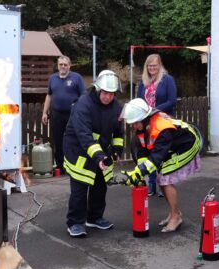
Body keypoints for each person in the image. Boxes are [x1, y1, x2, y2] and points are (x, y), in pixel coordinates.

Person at [120, 98, 202, 233]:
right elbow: (142, 150)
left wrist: (138, 173)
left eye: (135, 123)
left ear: (144, 118)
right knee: (161, 177)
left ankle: (176, 217)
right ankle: (174, 212)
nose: (133, 126)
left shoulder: (162, 129)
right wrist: (137, 171)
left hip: (188, 145)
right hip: (172, 146)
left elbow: (155, 158)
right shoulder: (143, 126)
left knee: (165, 178)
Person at [63, 70, 124, 237]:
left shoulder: (117, 107)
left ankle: (95, 218)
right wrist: (99, 156)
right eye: (105, 93)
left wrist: (117, 149)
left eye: (112, 94)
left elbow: (119, 132)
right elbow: (85, 136)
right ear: (97, 89)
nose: (108, 97)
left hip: (100, 152)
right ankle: (75, 222)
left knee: (100, 186)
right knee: (80, 189)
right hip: (79, 151)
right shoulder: (83, 105)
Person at [137, 54, 177, 197]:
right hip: (147, 122)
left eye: (154, 65)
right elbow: (139, 101)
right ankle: (152, 183)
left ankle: (163, 184)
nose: (152, 68)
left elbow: (172, 101)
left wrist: (154, 110)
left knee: (162, 152)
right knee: (148, 152)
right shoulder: (143, 82)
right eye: (149, 66)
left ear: (160, 66)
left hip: (162, 121)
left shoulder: (167, 80)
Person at [42, 55, 86, 174]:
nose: (62, 66)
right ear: (57, 66)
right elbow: (49, 95)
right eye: (60, 64)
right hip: (56, 115)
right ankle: (61, 167)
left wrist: (78, 108)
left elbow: (83, 95)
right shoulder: (52, 78)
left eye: (65, 64)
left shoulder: (77, 78)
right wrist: (44, 112)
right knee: (58, 140)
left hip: (72, 116)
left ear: (69, 66)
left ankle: (73, 166)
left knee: (72, 140)